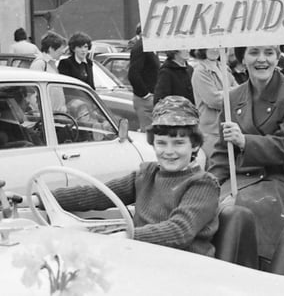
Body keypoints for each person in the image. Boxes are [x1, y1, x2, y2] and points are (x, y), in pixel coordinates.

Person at [48, 96, 220, 256]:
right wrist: (43, 198)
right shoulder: (148, 174)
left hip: (187, 268)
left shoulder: (203, 184)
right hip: (143, 256)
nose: (169, 151)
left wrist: (124, 236)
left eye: (178, 143)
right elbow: (99, 194)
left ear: (195, 146)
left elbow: (179, 231)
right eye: (161, 143)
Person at [208, 45, 284, 270]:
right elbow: (221, 153)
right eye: (254, 52)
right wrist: (208, 185)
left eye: (269, 53)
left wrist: (245, 141)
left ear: (278, 58)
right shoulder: (232, 98)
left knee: (243, 210)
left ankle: (255, 271)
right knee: (205, 206)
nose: (262, 59)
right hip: (243, 177)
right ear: (243, 58)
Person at [191, 48, 237, 161]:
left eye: (217, 46)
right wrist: (232, 91)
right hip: (211, 131)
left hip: (229, 126)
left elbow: (241, 92)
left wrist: (223, 92)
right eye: (211, 46)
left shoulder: (224, 68)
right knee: (215, 167)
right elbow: (213, 100)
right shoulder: (200, 71)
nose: (215, 49)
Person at [128, 29, 160, 131]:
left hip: (151, 98)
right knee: (149, 137)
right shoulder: (141, 47)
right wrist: (145, 95)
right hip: (145, 100)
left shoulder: (150, 46)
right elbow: (133, 74)